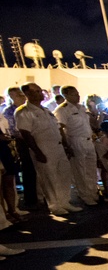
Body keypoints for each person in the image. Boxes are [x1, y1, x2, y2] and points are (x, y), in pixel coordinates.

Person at [15, 83, 79, 215]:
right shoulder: (24, 112)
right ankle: (54, 205)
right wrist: (37, 152)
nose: (41, 93)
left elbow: (57, 129)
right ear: (27, 94)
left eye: (40, 91)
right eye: (36, 91)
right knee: (49, 177)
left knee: (63, 174)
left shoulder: (46, 110)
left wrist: (65, 146)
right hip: (43, 148)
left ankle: (64, 202)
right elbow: (25, 133)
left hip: (58, 146)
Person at [54, 86, 101, 206]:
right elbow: (60, 128)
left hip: (88, 140)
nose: (78, 96)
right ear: (66, 95)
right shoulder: (62, 110)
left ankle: (93, 192)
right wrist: (66, 146)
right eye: (74, 94)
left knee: (91, 169)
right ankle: (85, 195)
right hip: (76, 140)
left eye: (78, 93)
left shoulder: (81, 108)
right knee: (80, 170)